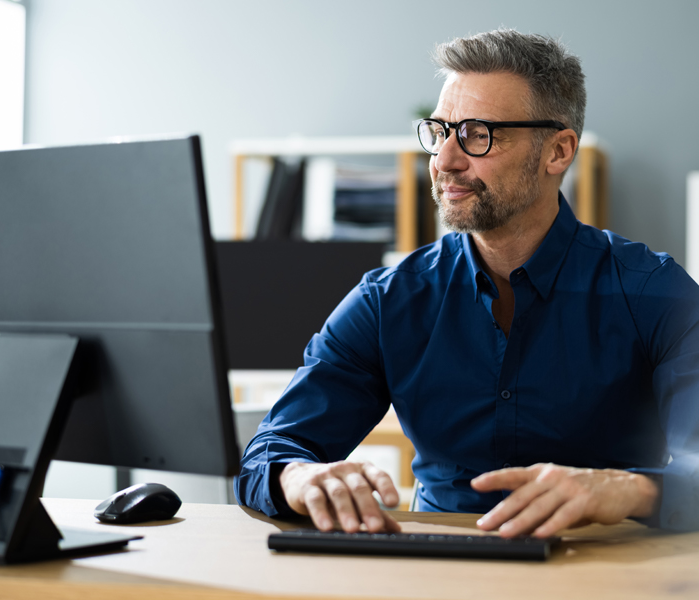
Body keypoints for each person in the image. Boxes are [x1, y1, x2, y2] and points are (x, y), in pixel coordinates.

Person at [234, 29, 699, 538]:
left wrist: (631, 489)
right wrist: (299, 477)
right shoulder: (388, 300)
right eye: (439, 132)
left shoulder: (655, 294)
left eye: (479, 135)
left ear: (558, 151)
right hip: (436, 566)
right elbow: (269, 455)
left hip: (600, 566)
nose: (445, 160)